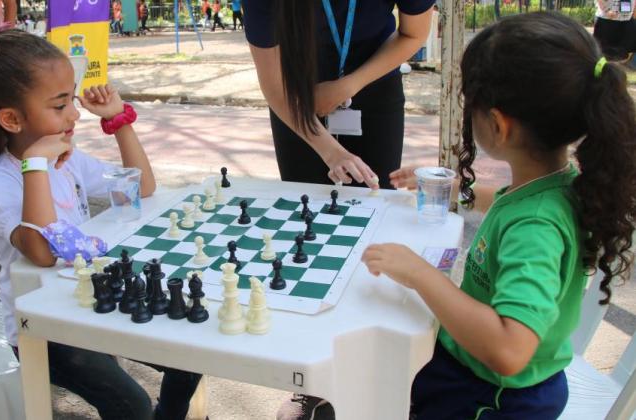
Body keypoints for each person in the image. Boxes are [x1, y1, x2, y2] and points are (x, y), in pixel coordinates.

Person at [365, 12, 636, 419]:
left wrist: (420, 273)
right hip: (497, 380)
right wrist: (459, 190)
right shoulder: (558, 183)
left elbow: (510, 349)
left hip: (491, 397)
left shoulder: (536, 226)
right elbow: (512, 203)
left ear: (496, 123)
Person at [0, 27, 202, 420]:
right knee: (131, 404)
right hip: (41, 325)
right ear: (11, 118)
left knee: (191, 347)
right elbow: (42, 251)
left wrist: (118, 121)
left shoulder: (68, 158)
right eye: (59, 106)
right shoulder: (1, 180)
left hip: (88, 299)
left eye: (71, 100)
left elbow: (141, 187)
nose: (74, 114)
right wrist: (35, 165)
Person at [242, 0, 433, 196]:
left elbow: (414, 34)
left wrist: (347, 86)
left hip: (376, 82)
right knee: (306, 201)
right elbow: (274, 85)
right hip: (296, 101)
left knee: (372, 199)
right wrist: (331, 151)